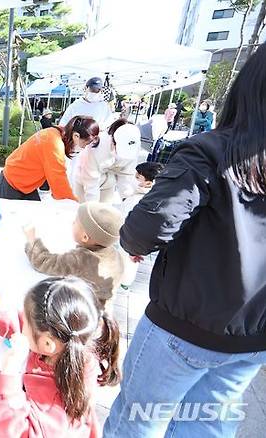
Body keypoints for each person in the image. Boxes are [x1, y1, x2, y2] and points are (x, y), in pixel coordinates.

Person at [104, 43, 266, 437]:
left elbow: (148, 226)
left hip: (183, 328)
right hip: (251, 338)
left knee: (137, 421)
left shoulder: (211, 153)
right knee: (207, 427)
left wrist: (132, 243)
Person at [0, 277, 120, 438]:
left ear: (47, 345)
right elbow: (22, 320)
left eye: (26, 328)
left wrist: (9, 378)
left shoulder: (56, 403)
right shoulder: (68, 339)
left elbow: (13, 432)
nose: (22, 327)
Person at [23, 202, 126, 310]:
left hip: (84, 309)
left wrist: (32, 240)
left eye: (76, 222)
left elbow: (43, 262)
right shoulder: (115, 254)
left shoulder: (82, 259)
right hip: (105, 307)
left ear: (85, 237)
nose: (72, 222)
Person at [0, 116, 99, 202]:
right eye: (85, 144)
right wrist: (75, 205)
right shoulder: (54, 143)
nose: (84, 148)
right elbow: (59, 181)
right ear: (76, 136)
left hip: (25, 184)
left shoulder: (56, 133)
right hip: (12, 183)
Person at [74, 119, 142, 203]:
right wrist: (92, 207)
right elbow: (90, 180)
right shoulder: (97, 146)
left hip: (109, 182)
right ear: (113, 141)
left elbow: (126, 175)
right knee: (86, 209)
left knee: (105, 210)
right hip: (85, 179)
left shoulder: (134, 147)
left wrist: (127, 199)